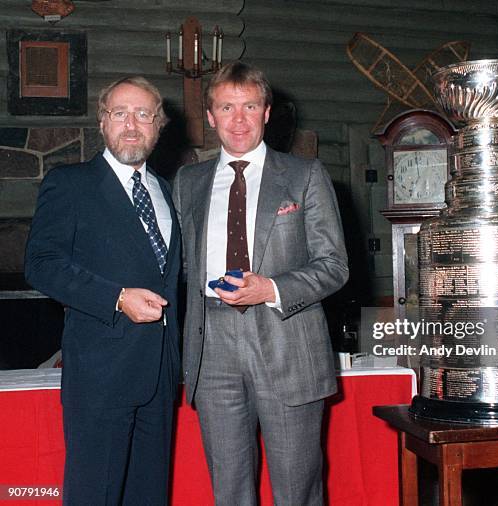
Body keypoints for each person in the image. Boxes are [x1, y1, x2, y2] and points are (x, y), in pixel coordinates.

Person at [172, 61, 348, 505]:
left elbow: (334, 265)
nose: (238, 119)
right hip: (212, 345)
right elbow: (179, 269)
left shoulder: (305, 175)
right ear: (209, 117)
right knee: (228, 487)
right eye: (226, 107)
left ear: (267, 112)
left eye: (249, 105)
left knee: (297, 487)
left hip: (286, 338)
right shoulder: (188, 182)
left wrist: (269, 288)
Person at [25, 77, 181, 506]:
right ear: (102, 122)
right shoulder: (69, 183)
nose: (131, 125)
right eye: (120, 113)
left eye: (143, 114)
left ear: (158, 125)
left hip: (160, 376)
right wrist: (116, 298)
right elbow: (40, 265)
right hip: (99, 376)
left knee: (150, 495)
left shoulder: (166, 191)